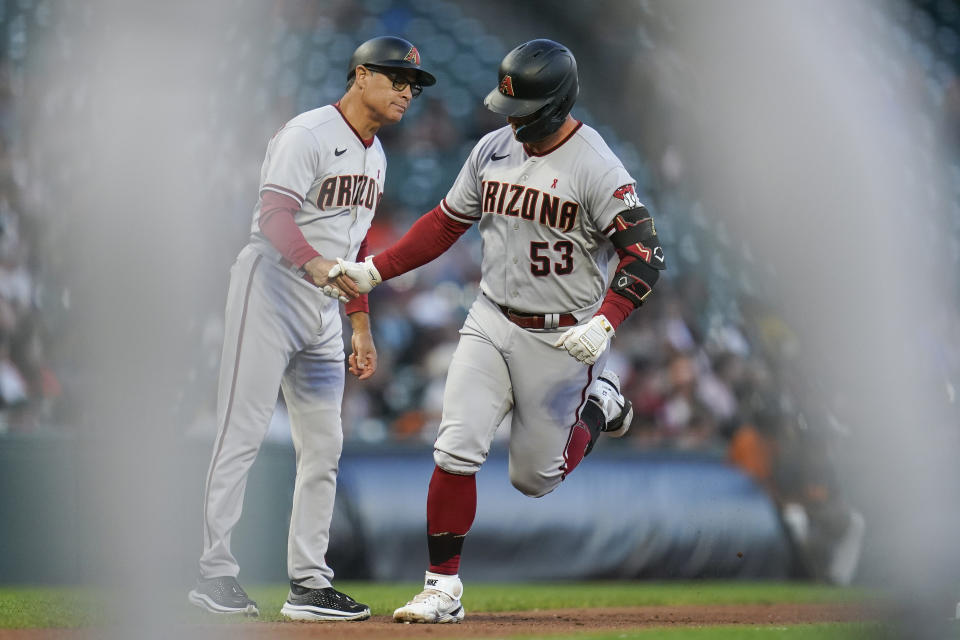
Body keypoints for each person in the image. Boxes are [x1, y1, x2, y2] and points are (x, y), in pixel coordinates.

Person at [329, 38, 666, 624]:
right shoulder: (493, 148)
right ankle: (442, 589)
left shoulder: (597, 165)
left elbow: (645, 254)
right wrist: (376, 269)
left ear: (556, 106)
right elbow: (444, 224)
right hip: (490, 318)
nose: (511, 123)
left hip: (561, 337)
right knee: (455, 447)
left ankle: (599, 405)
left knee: (536, 479)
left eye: (523, 112)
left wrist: (606, 323)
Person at [187, 36, 436, 621]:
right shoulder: (308, 133)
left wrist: (360, 325)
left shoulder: (376, 156)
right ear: (359, 75)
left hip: (327, 308)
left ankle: (308, 583)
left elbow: (355, 248)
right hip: (270, 287)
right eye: (396, 78)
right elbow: (273, 215)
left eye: (413, 85)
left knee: (325, 446)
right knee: (240, 434)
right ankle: (213, 574)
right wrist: (314, 264)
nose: (406, 91)